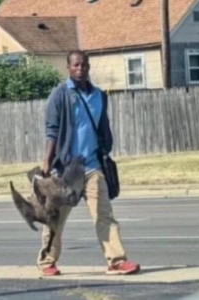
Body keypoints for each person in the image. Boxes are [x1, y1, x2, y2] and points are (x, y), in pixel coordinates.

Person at [37, 50, 141, 276]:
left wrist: (105, 151)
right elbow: (52, 130)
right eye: (75, 65)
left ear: (89, 67)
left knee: (104, 214)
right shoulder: (60, 94)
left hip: (93, 166)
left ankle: (116, 260)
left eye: (84, 65)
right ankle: (47, 262)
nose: (80, 69)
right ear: (68, 67)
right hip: (66, 169)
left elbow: (103, 127)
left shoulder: (99, 96)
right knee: (55, 219)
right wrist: (47, 161)